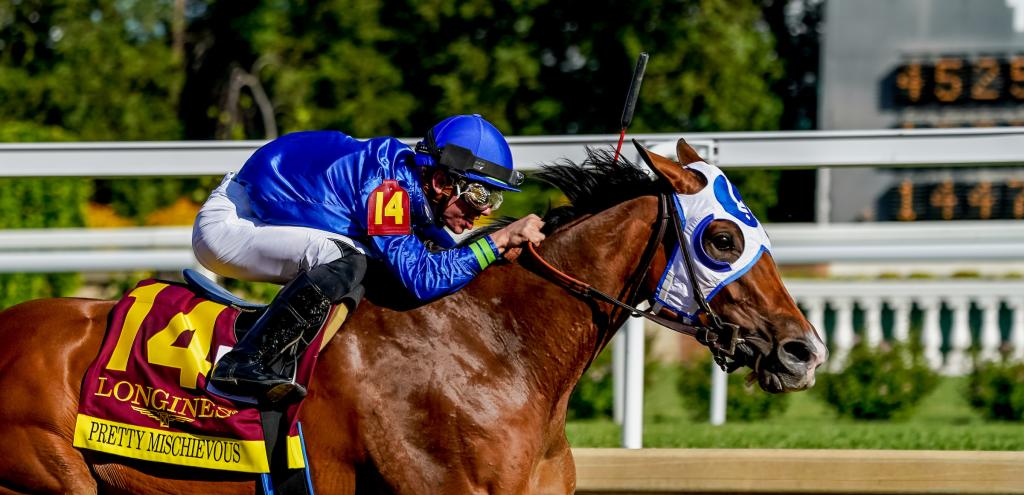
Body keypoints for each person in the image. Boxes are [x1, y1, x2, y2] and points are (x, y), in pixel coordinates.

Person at [192, 114, 546, 403]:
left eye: (494, 199)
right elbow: (421, 279)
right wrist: (497, 241)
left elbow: (442, 256)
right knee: (352, 259)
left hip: (257, 208)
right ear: (440, 181)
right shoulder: (386, 190)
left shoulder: (409, 184)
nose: (482, 212)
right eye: (479, 195)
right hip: (231, 223)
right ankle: (243, 361)